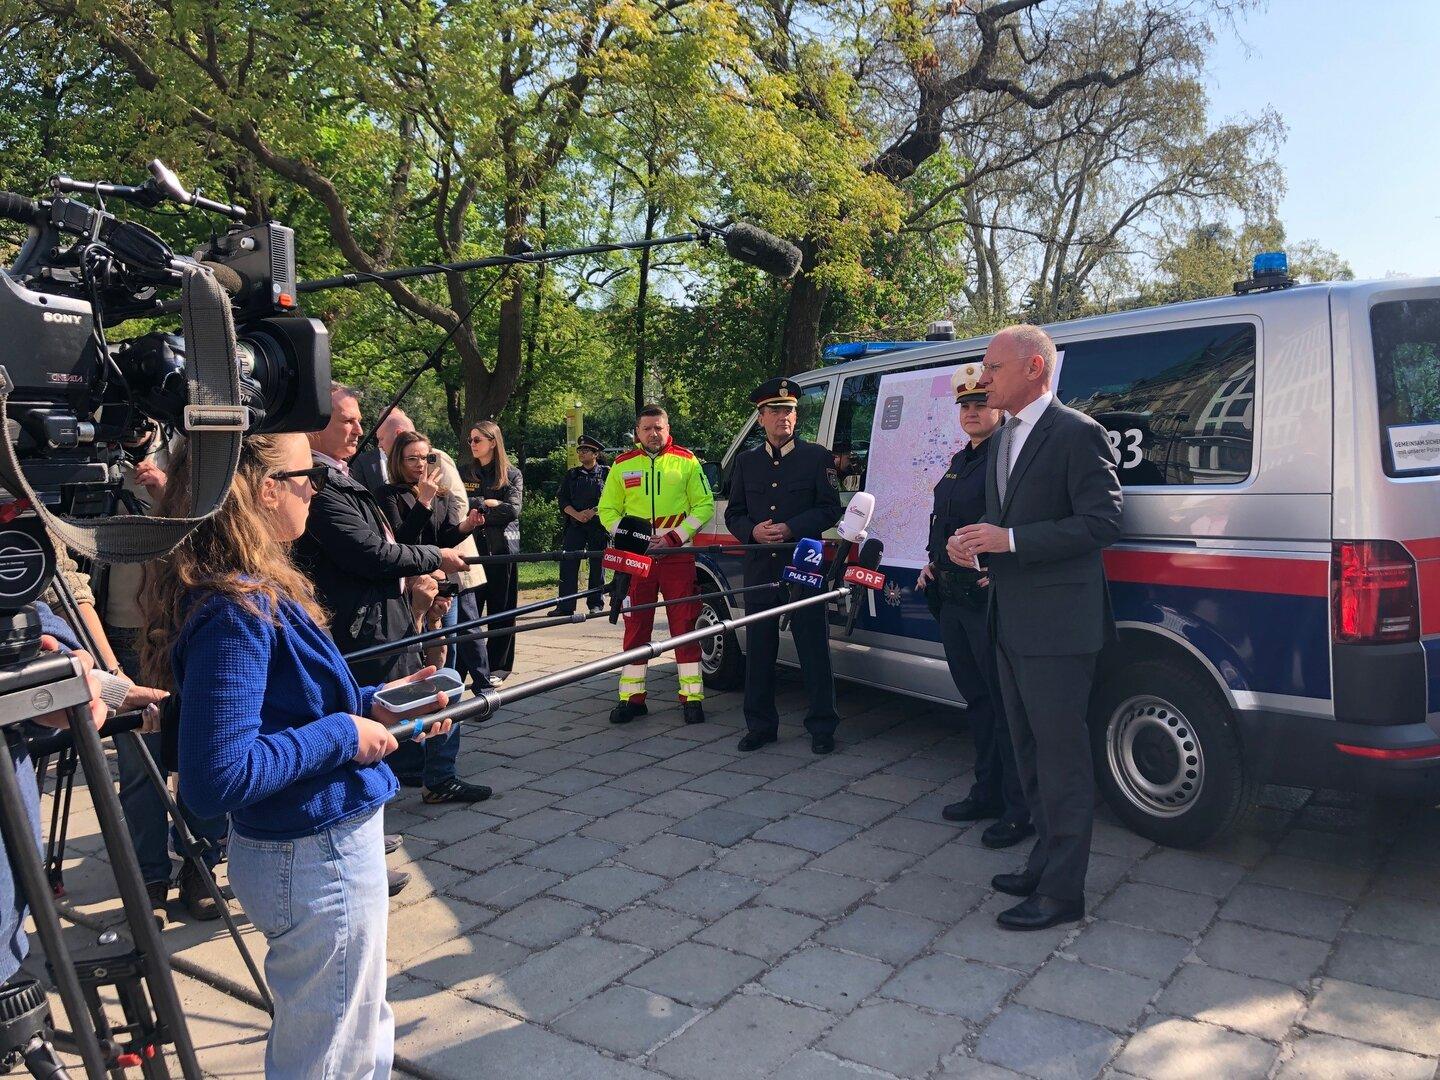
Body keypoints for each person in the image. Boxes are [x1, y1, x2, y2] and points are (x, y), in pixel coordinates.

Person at [140, 432, 454, 1080]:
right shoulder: (237, 607)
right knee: (332, 1056)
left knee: (355, 1030)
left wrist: (381, 703)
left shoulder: (254, 588)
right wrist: (345, 733)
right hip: (313, 859)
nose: (316, 486)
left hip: (315, 853)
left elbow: (296, 706)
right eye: (305, 475)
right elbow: (214, 778)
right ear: (263, 490)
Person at [949, 324, 1122, 931]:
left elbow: (1102, 523)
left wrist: (1011, 540)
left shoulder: (1077, 433)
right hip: (1010, 622)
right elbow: (1003, 522)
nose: (984, 377)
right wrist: (974, 544)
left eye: (993, 367)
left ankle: (1063, 893)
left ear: (1032, 368)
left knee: (1062, 758)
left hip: (1059, 629)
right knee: (1027, 752)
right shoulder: (1002, 440)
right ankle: (1044, 861)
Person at [293, 384, 490, 809]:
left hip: (402, 608)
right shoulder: (323, 485)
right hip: (366, 627)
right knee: (402, 704)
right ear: (314, 427)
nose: (358, 430)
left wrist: (459, 534)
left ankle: (412, 785)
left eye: (359, 421)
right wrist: (431, 555)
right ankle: (375, 803)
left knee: (438, 685)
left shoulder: (340, 478)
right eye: (347, 420)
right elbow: (379, 551)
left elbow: (415, 541)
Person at [97, 425, 228, 925]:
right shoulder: (92, 452)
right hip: (125, 632)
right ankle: (149, 878)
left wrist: (168, 496)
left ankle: (200, 867)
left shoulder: (195, 446)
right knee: (140, 765)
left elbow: (224, 531)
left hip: (188, 623)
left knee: (204, 752)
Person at [916, 363, 1031, 848]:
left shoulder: (1008, 459)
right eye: (964, 405)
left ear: (996, 407)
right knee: (979, 701)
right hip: (953, 597)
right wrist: (931, 562)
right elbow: (943, 518)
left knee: (1006, 705)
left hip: (989, 599)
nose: (971, 411)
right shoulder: (962, 459)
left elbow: (1013, 522)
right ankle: (985, 791)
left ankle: (1017, 807)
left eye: (980, 403)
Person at [724, 379, 843, 754]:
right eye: (775, 411)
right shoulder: (746, 462)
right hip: (760, 567)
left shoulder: (816, 458)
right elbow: (734, 513)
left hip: (802, 565)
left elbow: (829, 509)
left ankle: (823, 726)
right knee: (759, 647)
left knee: (812, 646)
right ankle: (760, 725)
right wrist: (752, 531)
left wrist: (792, 527)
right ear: (761, 418)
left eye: (789, 410)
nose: (784, 418)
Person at [597, 405, 714, 725]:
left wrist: (675, 537)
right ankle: (631, 699)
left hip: (676, 556)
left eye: (658, 427)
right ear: (637, 432)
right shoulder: (622, 465)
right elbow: (607, 510)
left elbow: (704, 506)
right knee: (636, 626)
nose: (653, 433)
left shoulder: (687, 461)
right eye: (646, 428)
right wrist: (630, 536)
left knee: (684, 626)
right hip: (636, 559)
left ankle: (691, 698)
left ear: (668, 427)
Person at [362, 408, 491, 690]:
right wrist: (423, 502)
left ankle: (445, 703)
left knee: (447, 646)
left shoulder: (438, 492)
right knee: (416, 645)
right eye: (412, 459)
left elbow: (442, 538)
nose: (420, 464)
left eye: (426, 457)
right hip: (412, 583)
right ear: (398, 460)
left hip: (441, 580)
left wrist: (467, 525)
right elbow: (402, 537)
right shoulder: (387, 494)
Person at [459, 420, 523, 682]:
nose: (472, 444)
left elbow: (512, 510)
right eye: (471, 440)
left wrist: (481, 512)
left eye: (478, 440)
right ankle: (464, 667)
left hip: (502, 550)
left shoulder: (511, 474)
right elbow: (459, 504)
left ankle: (498, 667)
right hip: (471, 550)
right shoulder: (465, 473)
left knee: (502, 610)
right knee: (469, 611)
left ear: (493, 442)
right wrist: (485, 502)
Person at [552, 434, 609, 616]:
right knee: (568, 563)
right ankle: (565, 606)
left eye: (585, 450)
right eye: (579, 450)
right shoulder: (572, 474)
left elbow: (613, 498)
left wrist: (593, 511)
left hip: (598, 526)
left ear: (596, 454)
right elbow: (563, 499)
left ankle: (595, 603)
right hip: (575, 525)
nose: (581, 453)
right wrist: (576, 514)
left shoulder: (606, 473)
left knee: (597, 564)